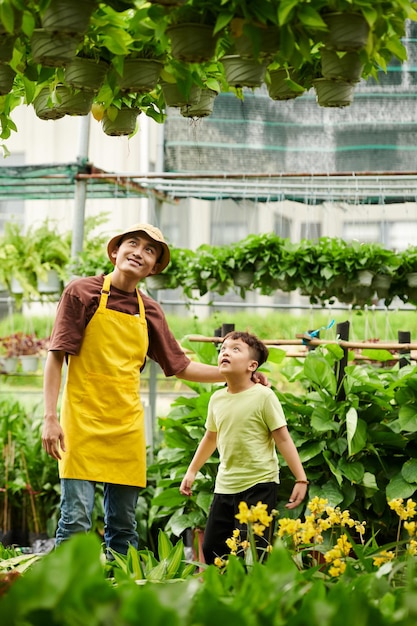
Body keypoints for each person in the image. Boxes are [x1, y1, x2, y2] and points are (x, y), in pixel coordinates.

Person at [41, 223, 268, 556]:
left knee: (123, 523)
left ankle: (120, 595)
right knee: (75, 520)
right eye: (133, 244)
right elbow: (56, 356)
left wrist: (236, 378)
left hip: (126, 425)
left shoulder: (150, 311)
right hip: (80, 420)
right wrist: (50, 417)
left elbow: (181, 366)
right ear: (115, 251)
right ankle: (63, 595)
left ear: (152, 268)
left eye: (150, 251)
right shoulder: (82, 292)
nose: (140, 253)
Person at [179, 330, 308, 564]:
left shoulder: (264, 397)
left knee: (253, 553)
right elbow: (210, 438)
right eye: (223, 348)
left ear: (252, 365)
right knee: (212, 549)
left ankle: (253, 597)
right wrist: (192, 471)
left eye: (235, 349)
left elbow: (283, 438)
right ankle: (227, 595)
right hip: (225, 486)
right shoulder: (217, 399)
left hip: (259, 484)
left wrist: (301, 479)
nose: (226, 352)